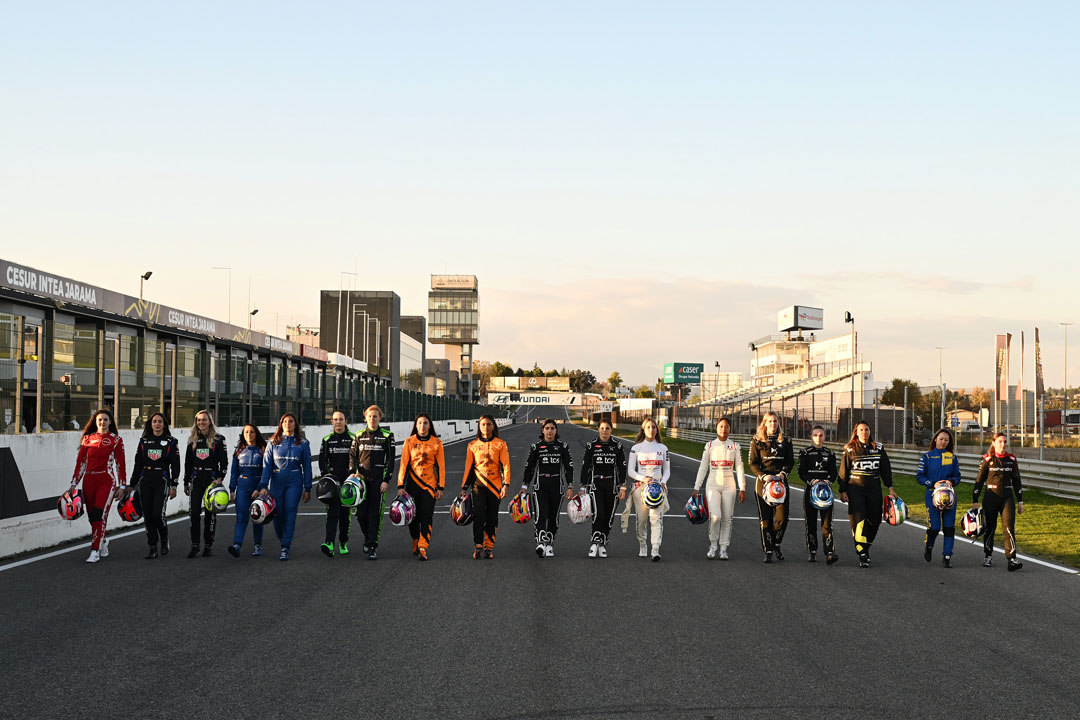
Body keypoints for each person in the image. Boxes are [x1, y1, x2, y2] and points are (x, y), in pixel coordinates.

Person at [69, 408, 127, 563]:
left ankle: (94, 550)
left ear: (110, 422)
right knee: (92, 517)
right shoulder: (87, 439)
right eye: (100, 419)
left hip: (106, 481)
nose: (102, 422)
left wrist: (122, 486)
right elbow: (80, 463)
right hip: (88, 481)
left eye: (106, 419)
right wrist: (73, 484)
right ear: (95, 422)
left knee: (99, 514)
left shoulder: (116, 440)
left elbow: (120, 465)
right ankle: (103, 540)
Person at [838, 421, 897, 568]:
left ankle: (865, 546)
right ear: (856, 432)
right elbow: (843, 472)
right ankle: (862, 552)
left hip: (874, 489)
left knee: (875, 520)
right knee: (858, 520)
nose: (864, 432)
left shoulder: (879, 448)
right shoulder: (850, 449)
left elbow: (885, 469)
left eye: (867, 429)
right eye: (861, 430)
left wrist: (890, 488)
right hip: (855, 488)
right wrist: (843, 490)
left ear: (870, 431)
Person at [258, 412, 312, 561]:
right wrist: (263, 485)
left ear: (295, 424)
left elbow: (307, 466)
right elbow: (267, 466)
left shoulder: (303, 443)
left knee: (290, 512)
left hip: (294, 482)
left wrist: (308, 488)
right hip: (277, 482)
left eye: (291, 421)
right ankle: (283, 539)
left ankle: (285, 546)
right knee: (276, 513)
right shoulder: (273, 442)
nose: (288, 424)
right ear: (281, 424)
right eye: (285, 422)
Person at [128, 412, 180, 559]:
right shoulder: (144, 441)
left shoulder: (171, 442)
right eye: (154, 422)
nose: (157, 424)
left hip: (162, 480)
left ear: (164, 424)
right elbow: (138, 464)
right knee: (148, 516)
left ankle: (164, 539)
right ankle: (152, 546)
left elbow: (175, 466)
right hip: (145, 480)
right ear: (150, 424)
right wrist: (132, 484)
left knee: (158, 515)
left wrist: (174, 485)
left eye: (160, 422)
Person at [693, 416, 746, 561]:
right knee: (715, 516)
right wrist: (697, 486)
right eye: (721, 426)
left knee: (727, 519)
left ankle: (723, 549)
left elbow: (740, 468)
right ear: (716, 428)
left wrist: (742, 488)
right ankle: (713, 545)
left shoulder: (735, 446)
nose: (724, 429)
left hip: (730, 484)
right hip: (713, 484)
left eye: (726, 426)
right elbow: (703, 467)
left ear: (730, 429)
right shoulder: (709, 445)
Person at [521, 418, 574, 558]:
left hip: (557, 486)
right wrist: (524, 485)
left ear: (556, 431)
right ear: (542, 430)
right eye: (547, 428)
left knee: (553, 517)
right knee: (541, 514)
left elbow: (569, 467)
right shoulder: (536, 447)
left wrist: (570, 485)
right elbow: (529, 467)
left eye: (552, 428)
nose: (550, 431)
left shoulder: (563, 446)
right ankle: (540, 543)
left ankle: (549, 543)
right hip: (540, 486)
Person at [349, 405, 396, 560]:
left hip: (378, 481)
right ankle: (368, 538)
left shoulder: (387, 435)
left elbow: (390, 460)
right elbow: (352, 456)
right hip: (361, 482)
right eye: (370, 416)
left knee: (374, 515)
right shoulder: (358, 435)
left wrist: (386, 480)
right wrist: (353, 475)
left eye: (375, 416)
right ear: (365, 418)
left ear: (379, 418)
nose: (372, 419)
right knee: (361, 514)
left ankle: (371, 546)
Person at [461, 415, 511, 559]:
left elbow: (506, 465)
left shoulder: (501, 444)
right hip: (478, 485)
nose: (486, 427)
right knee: (478, 516)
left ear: (493, 426)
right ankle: (478, 545)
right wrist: (464, 487)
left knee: (492, 517)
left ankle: (489, 546)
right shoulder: (472, 445)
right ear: (479, 426)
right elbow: (468, 468)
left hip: (495, 487)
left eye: (489, 424)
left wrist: (506, 484)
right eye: (483, 424)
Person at [972, 432, 1024, 571]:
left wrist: (1020, 501)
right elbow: (979, 480)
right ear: (994, 443)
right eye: (1000, 441)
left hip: (1007, 497)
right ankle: (988, 555)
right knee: (990, 527)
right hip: (990, 497)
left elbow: (1017, 480)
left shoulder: (1012, 459)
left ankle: (1012, 559)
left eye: (1005, 441)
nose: (1003, 444)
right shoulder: (987, 458)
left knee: (1008, 528)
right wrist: (975, 499)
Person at [397, 413, 445, 561]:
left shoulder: (437, 443)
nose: (422, 426)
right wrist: (400, 486)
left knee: (426, 516)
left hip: (429, 486)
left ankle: (423, 547)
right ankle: (415, 540)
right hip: (412, 486)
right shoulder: (409, 442)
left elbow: (441, 466)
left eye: (425, 423)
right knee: (413, 518)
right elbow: (403, 465)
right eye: (419, 423)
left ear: (429, 425)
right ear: (415, 425)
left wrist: (440, 487)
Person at [622, 417, 670, 561]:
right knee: (641, 519)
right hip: (640, 486)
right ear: (643, 429)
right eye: (648, 427)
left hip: (657, 487)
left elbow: (667, 470)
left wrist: (663, 482)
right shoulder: (636, 448)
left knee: (656, 519)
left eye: (653, 427)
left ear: (657, 429)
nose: (651, 429)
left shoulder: (663, 448)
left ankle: (655, 548)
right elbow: (630, 470)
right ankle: (643, 544)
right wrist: (643, 479)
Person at [749, 412, 794, 564]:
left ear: (778, 423)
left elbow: (790, 462)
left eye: (775, 421)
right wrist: (763, 476)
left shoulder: (786, 440)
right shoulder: (757, 440)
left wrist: (783, 473)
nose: (773, 424)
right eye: (770, 421)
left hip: (780, 482)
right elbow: (753, 463)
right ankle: (768, 550)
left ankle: (776, 543)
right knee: (766, 520)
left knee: (783, 518)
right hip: (763, 482)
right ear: (765, 423)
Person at [579, 419, 627, 558]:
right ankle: (595, 541)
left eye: (607, 428)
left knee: (609, 516)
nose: (604, 431)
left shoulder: (617, 446)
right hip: (596, 485)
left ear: (611, 430)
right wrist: (583, 486)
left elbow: (622, 467)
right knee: (598, 513)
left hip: (612, 486)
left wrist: (622, 486)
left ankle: (603, 541)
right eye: (602, 428)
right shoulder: (592, 445)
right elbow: (585, 466)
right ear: (598, 429)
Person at [183, 410, 227, 559]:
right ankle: (195, 545)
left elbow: (224, 462)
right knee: (194, 512)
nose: (201, 423)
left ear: (210, 421)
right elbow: (188, 463)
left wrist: (220, 477)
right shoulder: (192, 440)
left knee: (210, 514)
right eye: (199, 420)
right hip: (196, 479)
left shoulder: (219, 440)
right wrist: (185, 482)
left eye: (204, 420)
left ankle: (208, 544)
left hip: (212, 480)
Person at [917, 428, 962, 568]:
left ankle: (947, 556)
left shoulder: (952, 457)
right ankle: (929, 546)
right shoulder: (927, 457)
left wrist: (952, 481)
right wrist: (932, 483)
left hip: (949, 496)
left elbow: (957, 476)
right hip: (932, 495)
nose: (943, 442)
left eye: (946, 440)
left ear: (949, 442)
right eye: (941, 439)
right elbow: (919, 476)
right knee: (935, 527)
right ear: (935, 439)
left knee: (949, 527)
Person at [797, 425, 838, 565]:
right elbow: (801, 472)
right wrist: (811, 481)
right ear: (811, 436)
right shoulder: (805, 452)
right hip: (811, 491)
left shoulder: (830, 454)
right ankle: (812, 550)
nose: (818, 438)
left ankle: (830, 552)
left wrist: (829, 481)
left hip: (826, 491)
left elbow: (834, 472)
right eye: (815, 435)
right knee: (811, 523)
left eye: (821, 435)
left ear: (825, 437)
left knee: (827, 524)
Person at [319, 410, 355, 558]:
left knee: (345, 515)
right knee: (332, 515)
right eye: (335, 419)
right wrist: (325, 474)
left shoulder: (353, 438)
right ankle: (329, 543)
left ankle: (343, 541)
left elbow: (357, 459)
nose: (338, 422)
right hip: (333, 484)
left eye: (341, 419)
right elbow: (322, 460)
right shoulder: (327, 439)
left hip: (348, 483)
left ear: (346, 421)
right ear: (332, 422)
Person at [227, 424, 267, 558]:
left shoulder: (263, 450)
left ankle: (258, 545)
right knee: (241, 517)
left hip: (258, 487)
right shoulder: (239, 451)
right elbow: (234, 472)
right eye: (246, 432)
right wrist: (232, 489)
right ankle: (237, 545)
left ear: (256, 434)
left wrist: (260, 488)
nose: (249, 434)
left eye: (251, 432)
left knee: (257, 517)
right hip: (242, 487)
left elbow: (266, 472)